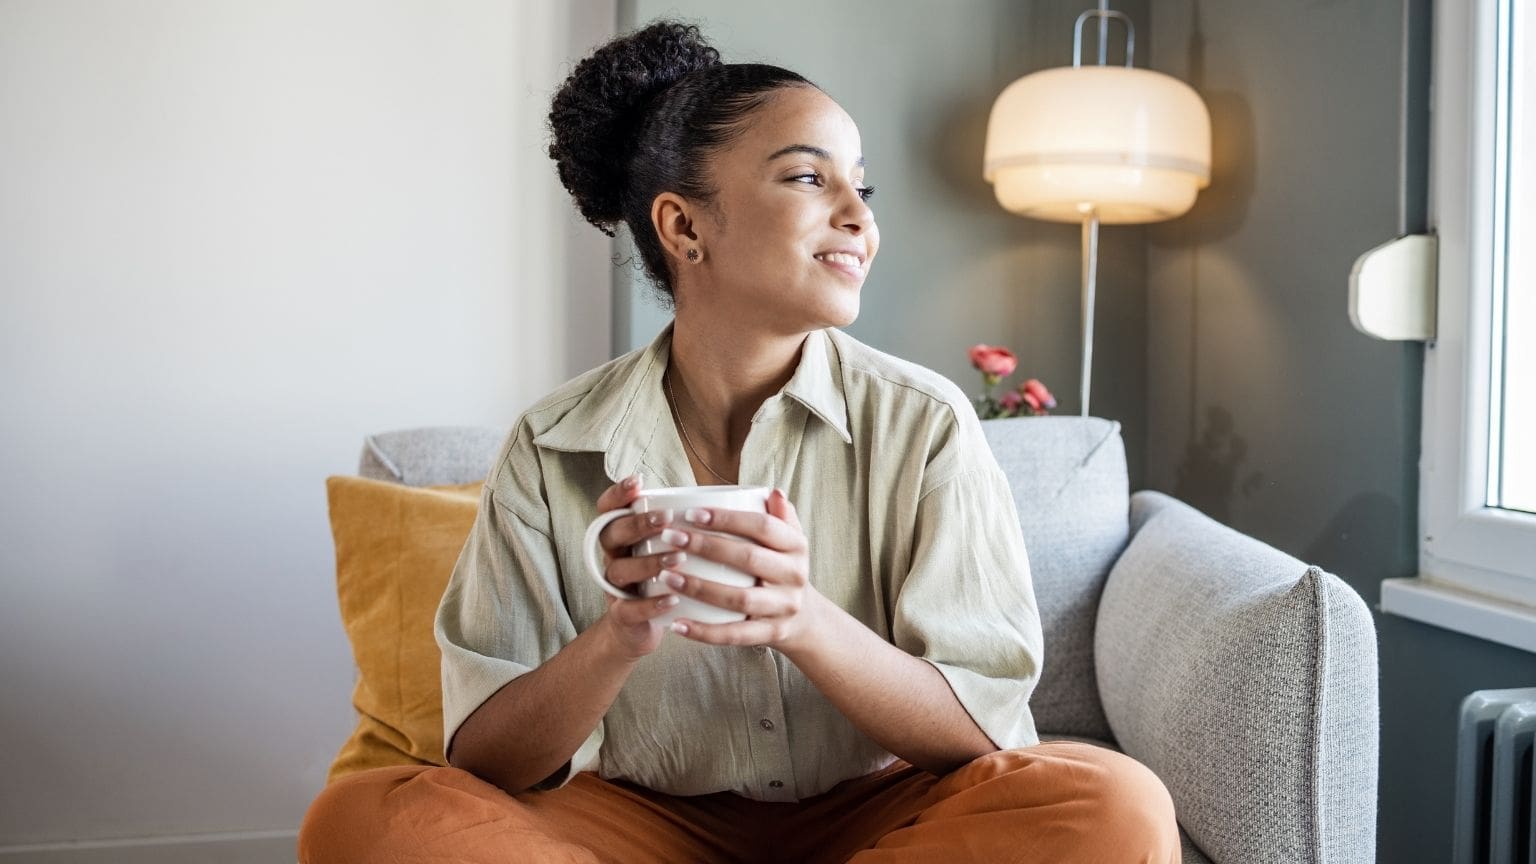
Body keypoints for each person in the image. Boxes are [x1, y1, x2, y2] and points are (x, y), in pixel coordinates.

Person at [299, 19, 1180, 863]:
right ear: (685, 227)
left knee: (1112, 805)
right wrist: (621, 634)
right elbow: (486, 762)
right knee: (366, 820)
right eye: (808, 179)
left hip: (883, 816)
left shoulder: (925, 422)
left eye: (861, 187)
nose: (857, 216)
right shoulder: (550, 444)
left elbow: (982, 730)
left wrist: (803, 620)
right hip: (636, 821)